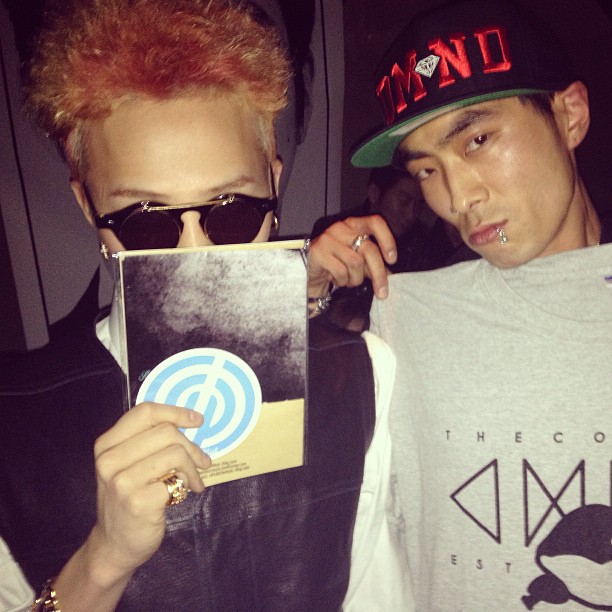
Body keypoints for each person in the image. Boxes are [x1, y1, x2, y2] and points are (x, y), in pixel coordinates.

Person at [0, 1, 405, 610]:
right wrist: (102, 562)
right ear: (89, 209)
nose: (196, 252)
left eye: (232, 211)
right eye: (145, 222)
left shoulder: (365, 375)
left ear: (274, 183)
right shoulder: (12, 428)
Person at [309, 0, 612, 609]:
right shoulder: (412, 317)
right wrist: (306, 293)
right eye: (426, 170)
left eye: (477, 139)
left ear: (570, 116)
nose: (456, 197)